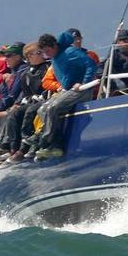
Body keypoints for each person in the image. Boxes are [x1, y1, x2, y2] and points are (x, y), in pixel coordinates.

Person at [33, 30, 98, 159]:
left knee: (52, 108)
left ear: (54, 46)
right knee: (42, 110)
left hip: (82, 90)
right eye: (44, 52)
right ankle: (53, 144)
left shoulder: (69, 52)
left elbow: (90, 64)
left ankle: (47, 142)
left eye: (47, 51)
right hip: (69, 90)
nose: (46, 54)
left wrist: (84, 82)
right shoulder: (55, 57)